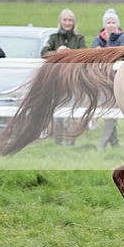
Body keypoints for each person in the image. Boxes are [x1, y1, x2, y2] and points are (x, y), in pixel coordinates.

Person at [42, 9, 86, 145]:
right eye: (65, 20)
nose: (67, 23)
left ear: (74, 22)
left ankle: (71, 141)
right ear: (61, 21)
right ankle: (58, 141)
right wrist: (57, 52)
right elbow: (44, 53)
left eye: (70, 20)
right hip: (57, 80)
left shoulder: (79, 39)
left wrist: (71, 53)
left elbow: (85, 54)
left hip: (73, 80)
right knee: (58, 109)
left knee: (73, 110)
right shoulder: (53, 38)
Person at [92, 8, 124, 150]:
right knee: (109, 109)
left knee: (111, 109)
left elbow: (123, 54)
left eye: (113, 22)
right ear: (104, 24)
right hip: (102, 79)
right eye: (108, 22)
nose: (111, 25)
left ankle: (102, 143)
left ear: (117, 24)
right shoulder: (98, 39)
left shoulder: (122, 38)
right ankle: (115, 144)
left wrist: (104, 54)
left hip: (116, 79)